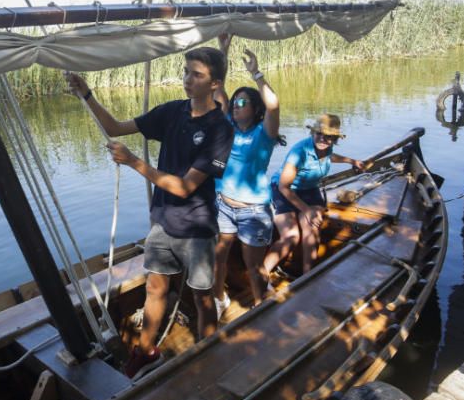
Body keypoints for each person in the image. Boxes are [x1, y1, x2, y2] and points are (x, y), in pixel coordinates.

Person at [66, 47, 233, 379]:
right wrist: (87, 95)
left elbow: (186, 188)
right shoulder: (172, 112)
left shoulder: (220, 129)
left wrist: (133, 162)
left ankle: (208, 354)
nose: (187, 79)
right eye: (186, 71)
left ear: (214, 83)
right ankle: (146, 352)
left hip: (197, 227)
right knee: (155, 289)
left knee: (202, 298)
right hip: (163, 221)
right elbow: (114, 127)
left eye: (196, 75)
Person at [212, 34, 284, 313]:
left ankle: (259, 306)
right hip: (224, 206)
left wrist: (257, 73)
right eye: (236, 103)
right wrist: (222, 50)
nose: (236, 106)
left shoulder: (263, 134)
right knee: (219, 258)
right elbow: (219, 91)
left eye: (243, 103)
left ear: (255, 110)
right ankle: (219, 302)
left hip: (253, 211)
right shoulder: (228, 125)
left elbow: (274, 105)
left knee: (253, 267)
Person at [263, 114, 366, 277]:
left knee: (312, 228)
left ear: (334, 139)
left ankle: (307, 276)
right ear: (313, 133)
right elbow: (284, 186)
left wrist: (352, 161)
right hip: (283, 190)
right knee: (291, 236)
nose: (323, 139)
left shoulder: (326, 148)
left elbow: (330, 156)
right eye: (319, 134)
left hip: (309, 190)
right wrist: (306, 210)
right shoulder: (299, 152)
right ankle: (261, 275)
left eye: (329, 136)